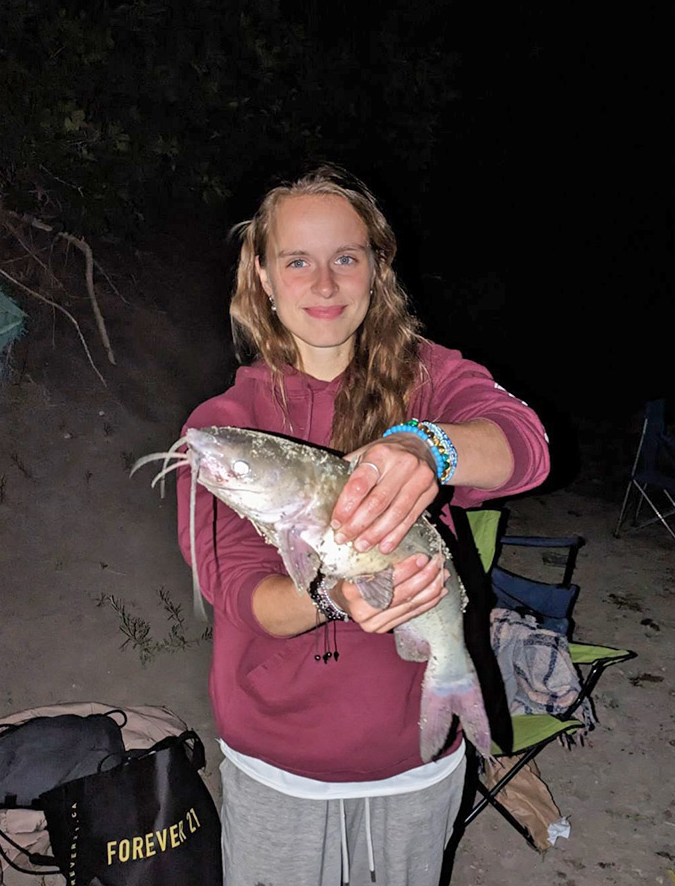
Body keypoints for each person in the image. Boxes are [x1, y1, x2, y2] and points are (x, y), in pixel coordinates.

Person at [176, 166, 550, 886]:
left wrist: (429, 446)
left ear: (378, 268)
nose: (324, 284)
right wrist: (334, 595)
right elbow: (241, 592)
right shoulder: (225, 427)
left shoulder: (429, 379)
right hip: (280, 768)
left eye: (346, 257)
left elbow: (527, 446)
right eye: (297, 261)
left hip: (414, 762)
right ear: (262, 274)